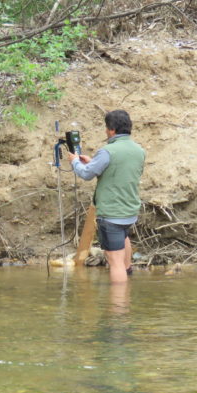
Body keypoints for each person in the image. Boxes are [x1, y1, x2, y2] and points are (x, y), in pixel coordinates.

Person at [66, 110, 145, 283]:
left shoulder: (107, 151)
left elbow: (86, 175)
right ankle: (128, 276)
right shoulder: (139, 151)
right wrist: (93, 162)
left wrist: (74, 161)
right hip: (130, 211)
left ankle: (118, 305)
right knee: (124, 238)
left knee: (114, 262)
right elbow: (121, 171)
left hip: (111, 213)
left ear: (111, 130)